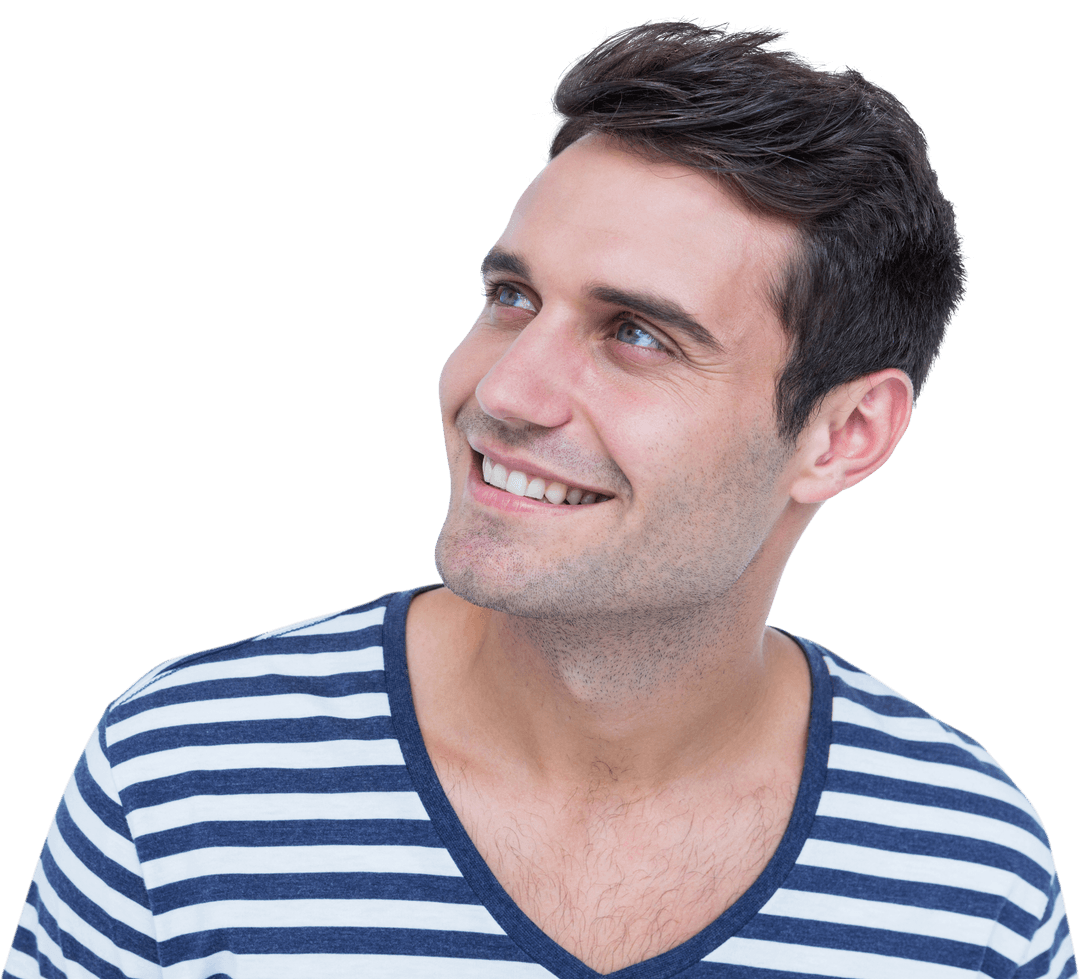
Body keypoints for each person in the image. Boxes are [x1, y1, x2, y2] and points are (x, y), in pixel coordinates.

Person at [4, 20, 1073, 979]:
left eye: (638, 334)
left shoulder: (971, 870)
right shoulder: (184, 776)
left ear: (844, 436)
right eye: (512, 298)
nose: (501, 392)